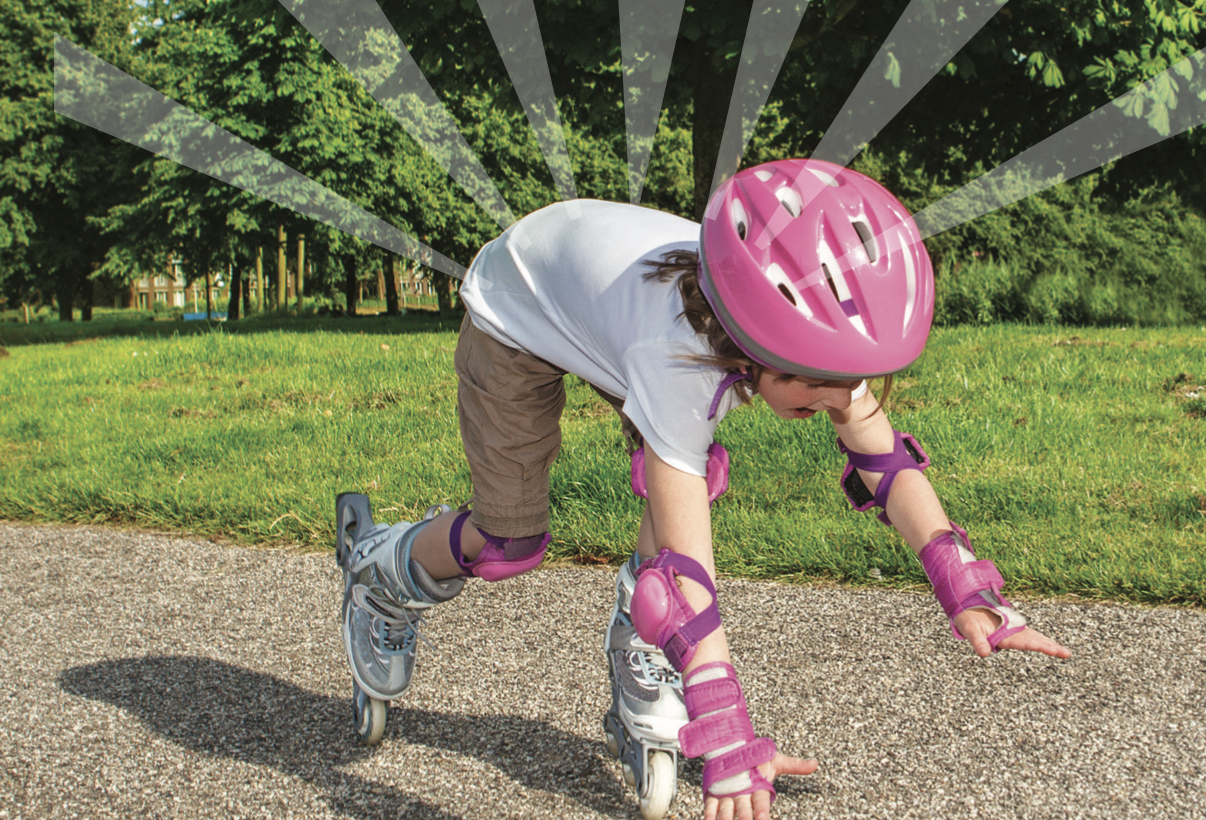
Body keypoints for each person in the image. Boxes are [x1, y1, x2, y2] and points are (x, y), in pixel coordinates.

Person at [335, 158, 1072, 820]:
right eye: (818, 385)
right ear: (751, 345)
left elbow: (887, 469)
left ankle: (641, 643)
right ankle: (381, 569)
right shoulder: (675, 361)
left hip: (603, 302)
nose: (841, 400)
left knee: (688, 475)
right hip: (519, 309)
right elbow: (688, 576)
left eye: (848, 380)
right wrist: (725, 730)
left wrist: (966, 591)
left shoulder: (787, 329)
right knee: (508, 542)